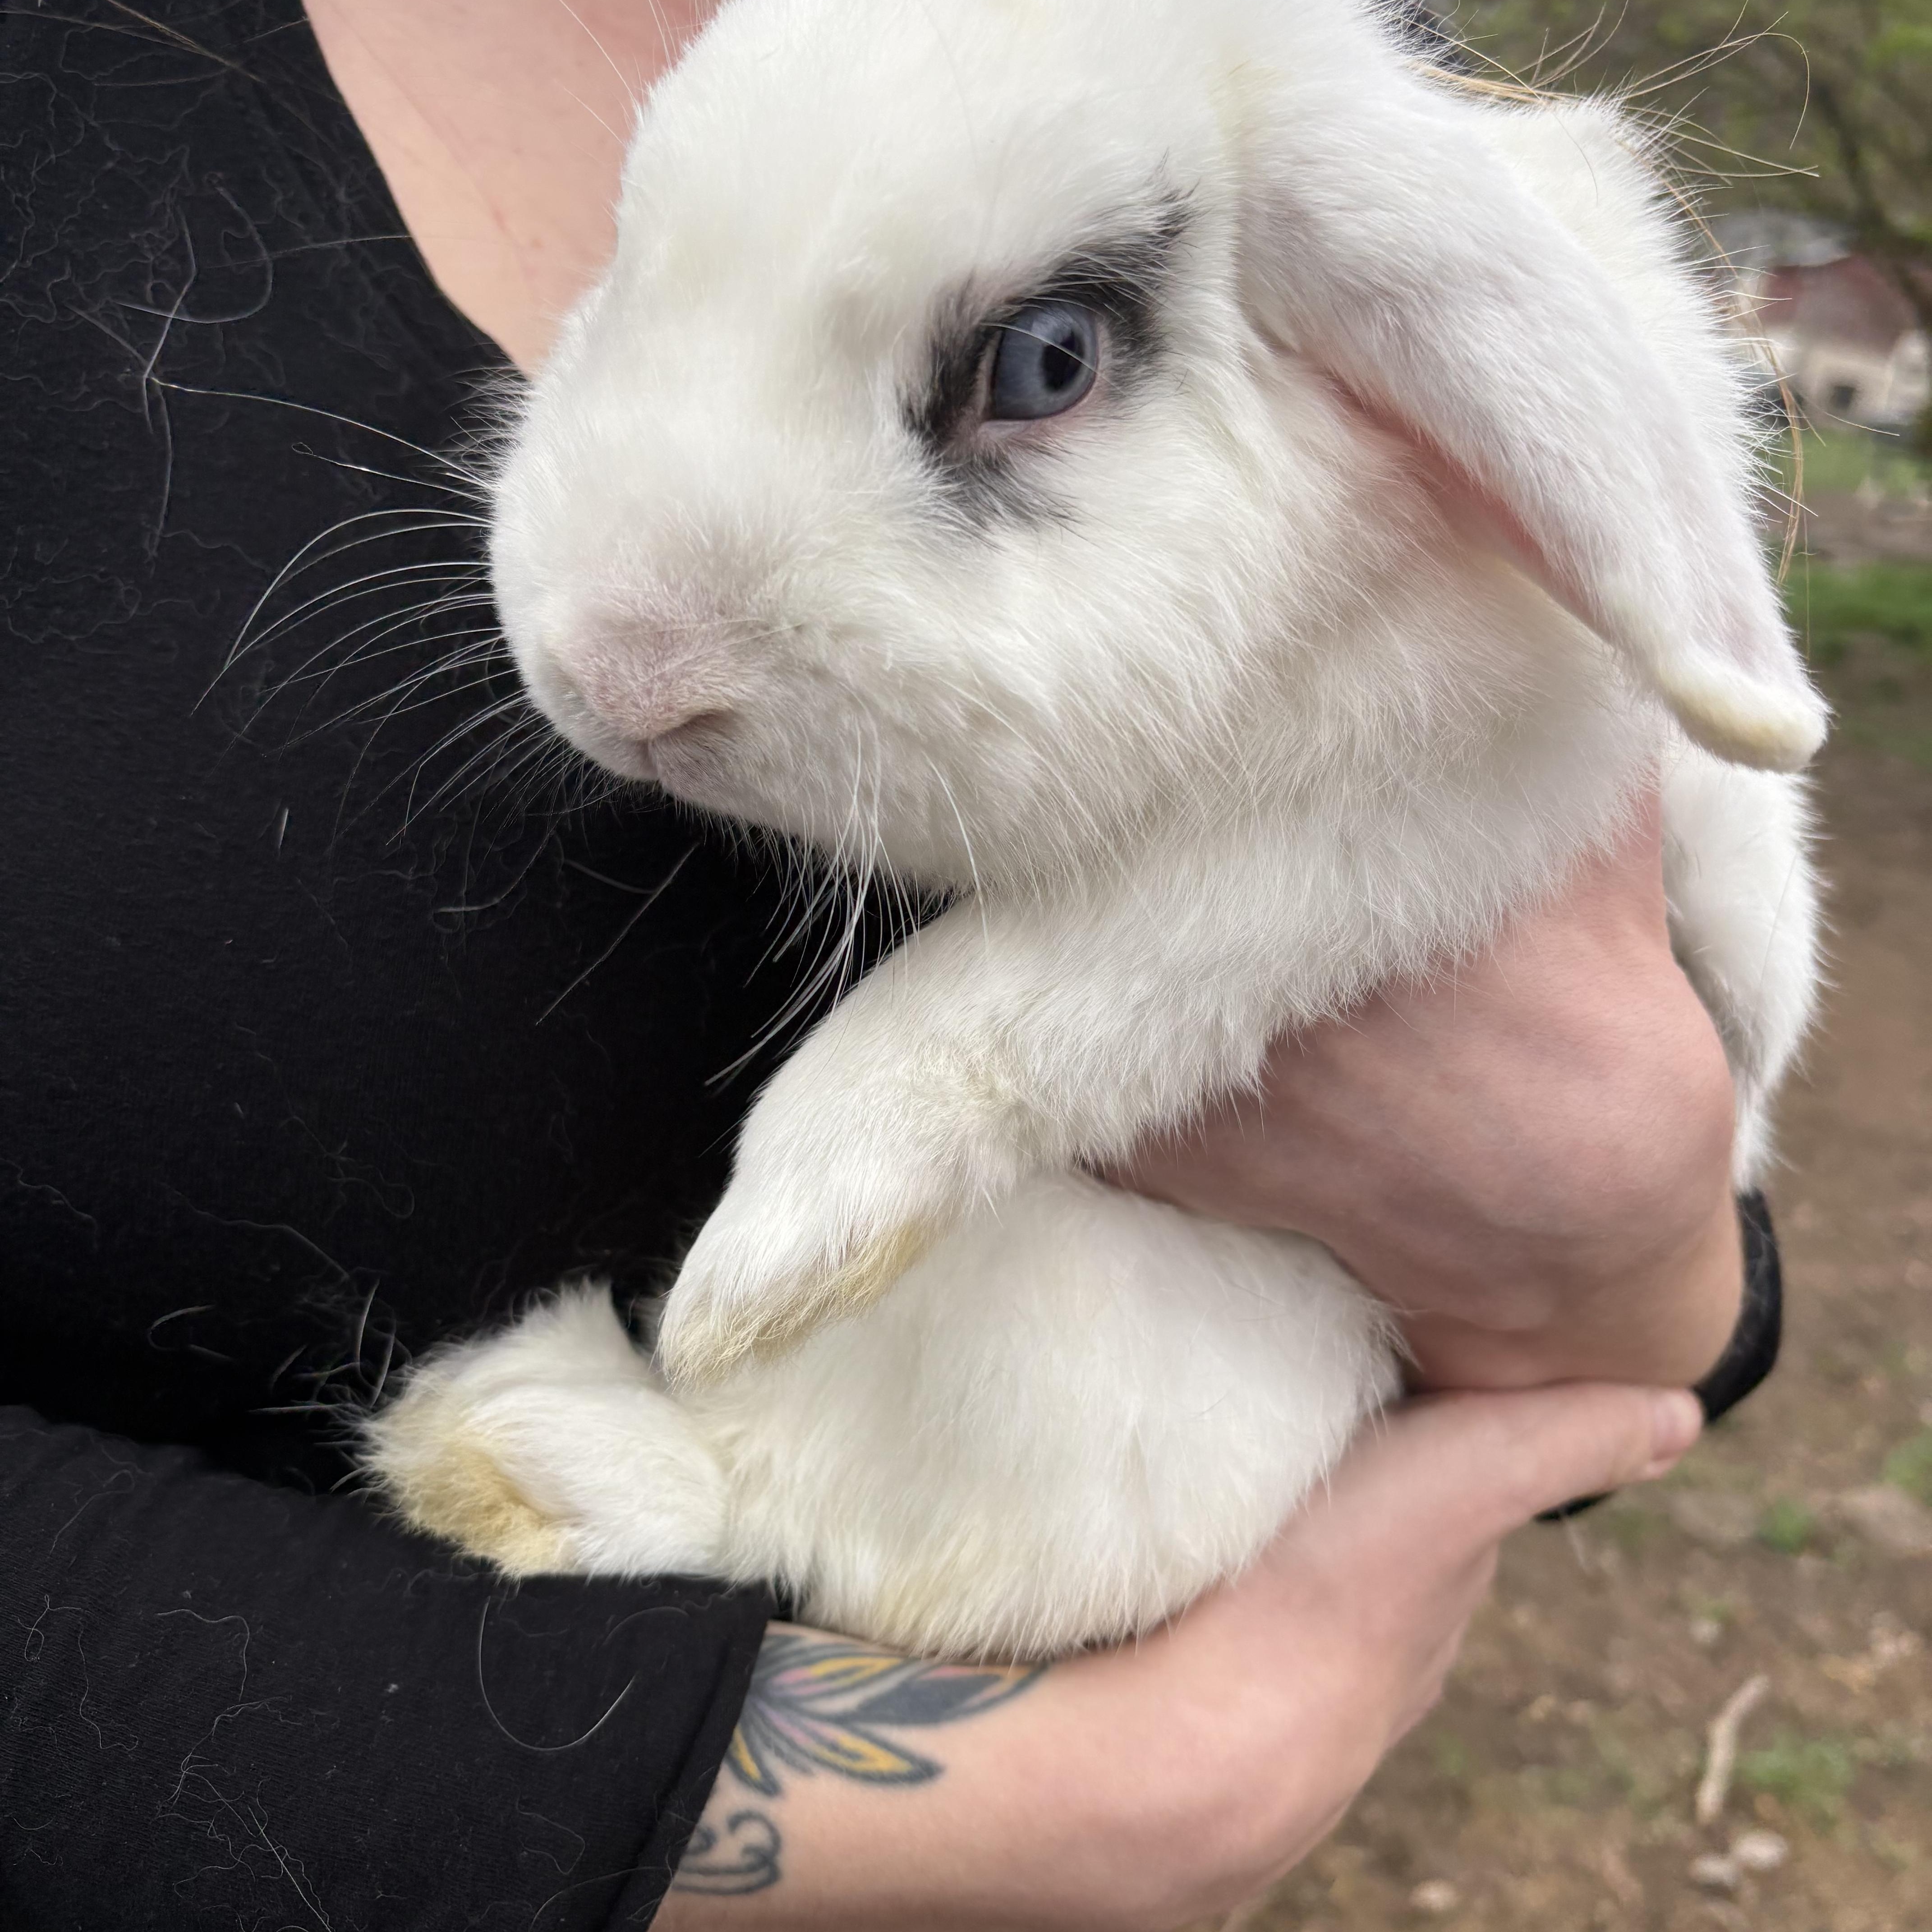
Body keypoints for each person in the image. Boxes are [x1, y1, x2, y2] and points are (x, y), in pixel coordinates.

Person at [0, 2, 1755, 1926]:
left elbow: (1680, 1174)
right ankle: (743, 1500)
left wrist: (1626, 1220)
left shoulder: (1252, 115)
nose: (621, 680)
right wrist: (1022, 1822)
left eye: (1040, 367)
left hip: (1177, 1413)